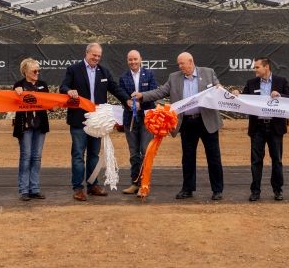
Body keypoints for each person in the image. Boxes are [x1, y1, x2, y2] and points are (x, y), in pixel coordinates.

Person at [135, 52, 224, 201]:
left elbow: (219, 88)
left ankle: (217, 190)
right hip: (187, 123)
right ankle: (188, 189)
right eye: (179, 64)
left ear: (191, 62)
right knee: (188, 157)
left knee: (213, 157)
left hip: (207, 121)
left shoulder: (208, 73)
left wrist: (224, 90)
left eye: (182, 64)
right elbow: (160, 92)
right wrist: (142, 95)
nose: (180, 67)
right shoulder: (174, 77)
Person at [60, 42, 129, 201]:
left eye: (99, 56)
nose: (96, 58)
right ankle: (78, 188)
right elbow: (63, 86)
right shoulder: (73, 69)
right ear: (87, 53)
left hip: (97, 121)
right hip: (79, 121)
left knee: (94, 155)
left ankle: (93, 185)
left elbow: (114, 88)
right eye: (94, 55)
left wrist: (127, 100)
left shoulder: (104, 71)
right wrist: (68, 91)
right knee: (78, 155)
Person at [238, 57, 289, 202]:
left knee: (277, 160)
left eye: (257, 67)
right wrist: (236, 95)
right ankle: (255, 191)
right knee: (256, 160)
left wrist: (280, 95)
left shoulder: (281, 81)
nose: (254, 70)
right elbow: (242, 100)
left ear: (266, 67)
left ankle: (278, 190)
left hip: (275, 127)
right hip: (257, 127)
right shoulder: (251, 83)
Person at [117, 49, 157, 196]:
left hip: (147, 119)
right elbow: (121, 96)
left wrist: (141, 101)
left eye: (135, 59)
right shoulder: (123, 78)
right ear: (127, 61)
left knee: (145, 151)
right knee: (134, 154)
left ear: (141, 59)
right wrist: (128, 103)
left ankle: (144, 185)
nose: (133, 62)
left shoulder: (150, 74)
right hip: (130, 121)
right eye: (130, 60)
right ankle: (135, 183)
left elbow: (154, 93)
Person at [12, 58, 50, 201]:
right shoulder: (19, 85)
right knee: (26, 157)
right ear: (26, 71)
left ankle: (34, 188)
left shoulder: (43, 85)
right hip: (25, 126)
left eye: (39, 70)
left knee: (37, 157)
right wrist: (16, 92)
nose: (37, 72)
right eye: (35, 70)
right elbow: (13, 103)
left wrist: (55, 106)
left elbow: (49, 103)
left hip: (40, 126)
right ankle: (24, 190)